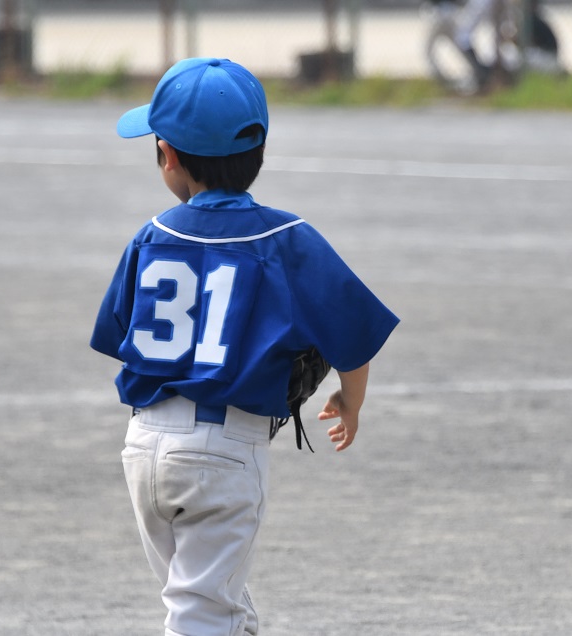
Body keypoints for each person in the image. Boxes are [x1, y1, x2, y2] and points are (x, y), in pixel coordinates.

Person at [90, 57, 399, 636]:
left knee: (209, 602)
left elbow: (121, 333)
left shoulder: (152, 235)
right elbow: (353, 337)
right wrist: (350, 399)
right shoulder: (286, 238)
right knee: (205, 611)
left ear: (171, 157)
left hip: (145, 446)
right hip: (225, 454)